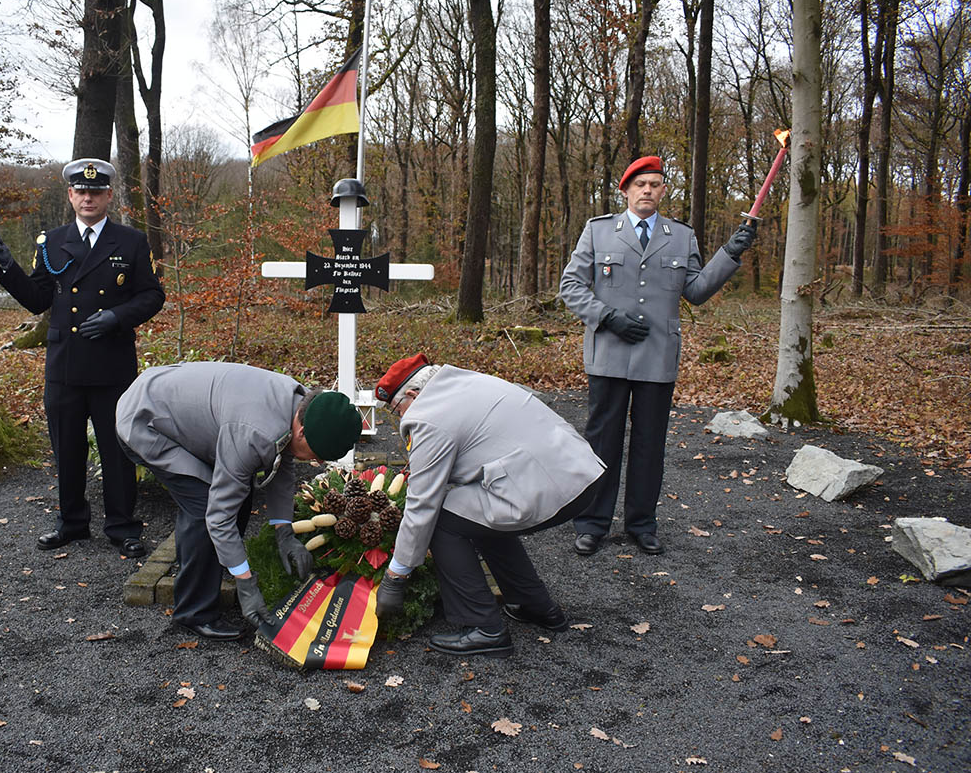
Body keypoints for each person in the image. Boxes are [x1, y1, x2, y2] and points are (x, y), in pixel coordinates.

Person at [559, 155, 756, 557]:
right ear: (626, 190)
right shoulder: (598, 232)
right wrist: (607, 317)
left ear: (664, 190)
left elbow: (697, 292)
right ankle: (593, 523)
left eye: (655, 184)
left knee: (650, 446)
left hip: (657, 357)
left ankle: (641, 524)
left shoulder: (680, 236)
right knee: (601, 444)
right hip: (609, 354)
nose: (647, 190)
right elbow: (571, 286)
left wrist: (730, 254)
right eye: (640, 184)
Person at [0, 158, 165, 558]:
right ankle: (71, 523)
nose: (88, 197)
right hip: (65, 364)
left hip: (112, 364)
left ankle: (122, 526)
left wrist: (117, 317)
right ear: (70, 196)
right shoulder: (51, 241)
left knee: (117, 449)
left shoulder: (131, 241)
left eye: (96, 191)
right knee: (66, 448)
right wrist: (8, 267)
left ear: (108, 196)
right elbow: (37, 300)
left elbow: (153, 295)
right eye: (81, 192)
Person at [372, 354, 606, 657]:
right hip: (581, 471)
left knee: (442, 515)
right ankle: (534, 605)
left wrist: (396, 576)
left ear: (414, 395)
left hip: (550, 485)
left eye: (397, 409)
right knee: (476, 511)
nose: (401, 418)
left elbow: (422, 504)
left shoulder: (428, 415)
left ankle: (483, 627)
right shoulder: (466, 382)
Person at [114, 362, 363, 640]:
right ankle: (193, 611)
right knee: (203, 506)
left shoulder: (305, 406)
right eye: (316, 455)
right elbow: (218, 516)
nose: (316, 462)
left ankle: (212, 570)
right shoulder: (255, 432)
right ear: (302, 432)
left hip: (182, 406)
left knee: (234, 496)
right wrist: (245, 583)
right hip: (147, 420)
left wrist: (285, 532)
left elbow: (283, 463)